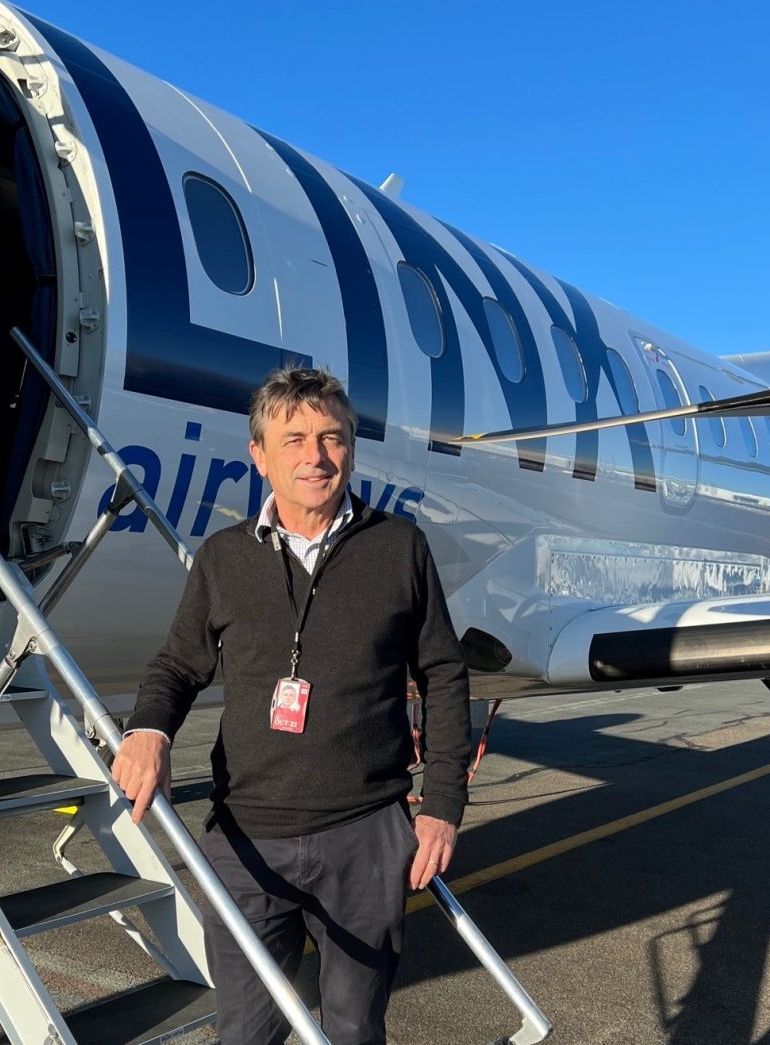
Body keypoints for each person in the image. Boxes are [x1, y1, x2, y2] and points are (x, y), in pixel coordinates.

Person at [113, 367, 471, 1045]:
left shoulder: (399, 548)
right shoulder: (224, 558)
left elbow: (445, 673)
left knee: (354, 1027)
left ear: (352, 449)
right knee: (245, 1032)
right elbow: (176, 665)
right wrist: (149, 728)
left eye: (332, 437)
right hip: (247, 838)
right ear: (260, 455)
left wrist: (443, 805)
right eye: (296, 438)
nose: (315, 455)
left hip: (364, 835)